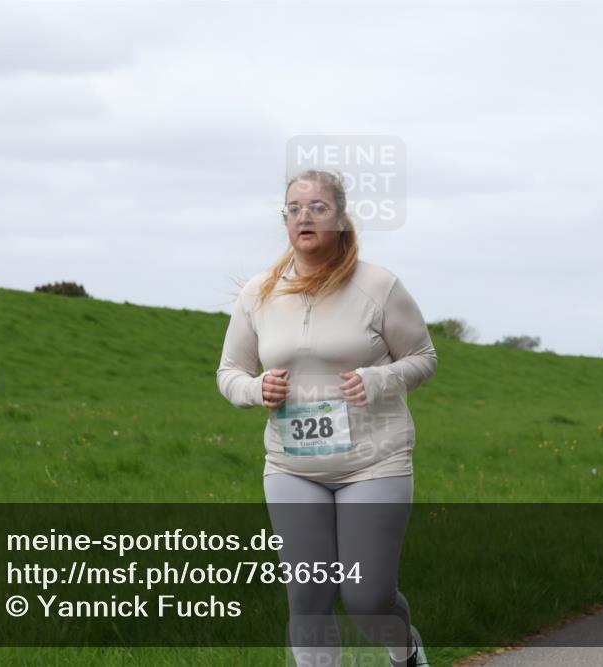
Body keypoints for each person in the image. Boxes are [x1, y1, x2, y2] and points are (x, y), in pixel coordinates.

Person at [216, 169, 438, 666]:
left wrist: (379, 379)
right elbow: (229, 372)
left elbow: (424, 357)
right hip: (293, 466)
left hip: (372, 461)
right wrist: (256, 389)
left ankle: (406, 651)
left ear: (340, 218)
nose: (303, 217)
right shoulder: (259, 293)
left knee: (367, 600)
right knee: (309, 600)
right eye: (293, 208)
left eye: (316, 207)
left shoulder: (378, 286)